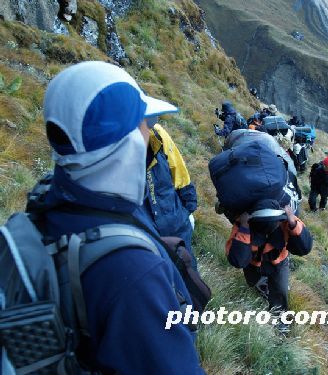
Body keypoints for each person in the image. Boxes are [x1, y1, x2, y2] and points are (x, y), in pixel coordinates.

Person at [37, 61, 204, 373]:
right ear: (125, 143)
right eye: (144, 122)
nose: (149, 130)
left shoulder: (48, 197)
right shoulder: (136, 272)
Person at [225, 200, 313, 332]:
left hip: (279, 261)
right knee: (253, 282)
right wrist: (244, 227)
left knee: (280, 290)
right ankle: (265, 287)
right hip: (253, 263)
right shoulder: (243, 221)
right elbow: (237, 260)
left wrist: (293, 223)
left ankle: (280, 319)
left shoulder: (287, 219)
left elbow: (305, 247)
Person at [143, 119, 198, 268]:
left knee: (188, 273)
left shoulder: (158, 134)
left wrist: (189, 203)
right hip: (148, 233)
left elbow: (177, 167)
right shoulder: (108, 150)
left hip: (175, 221)